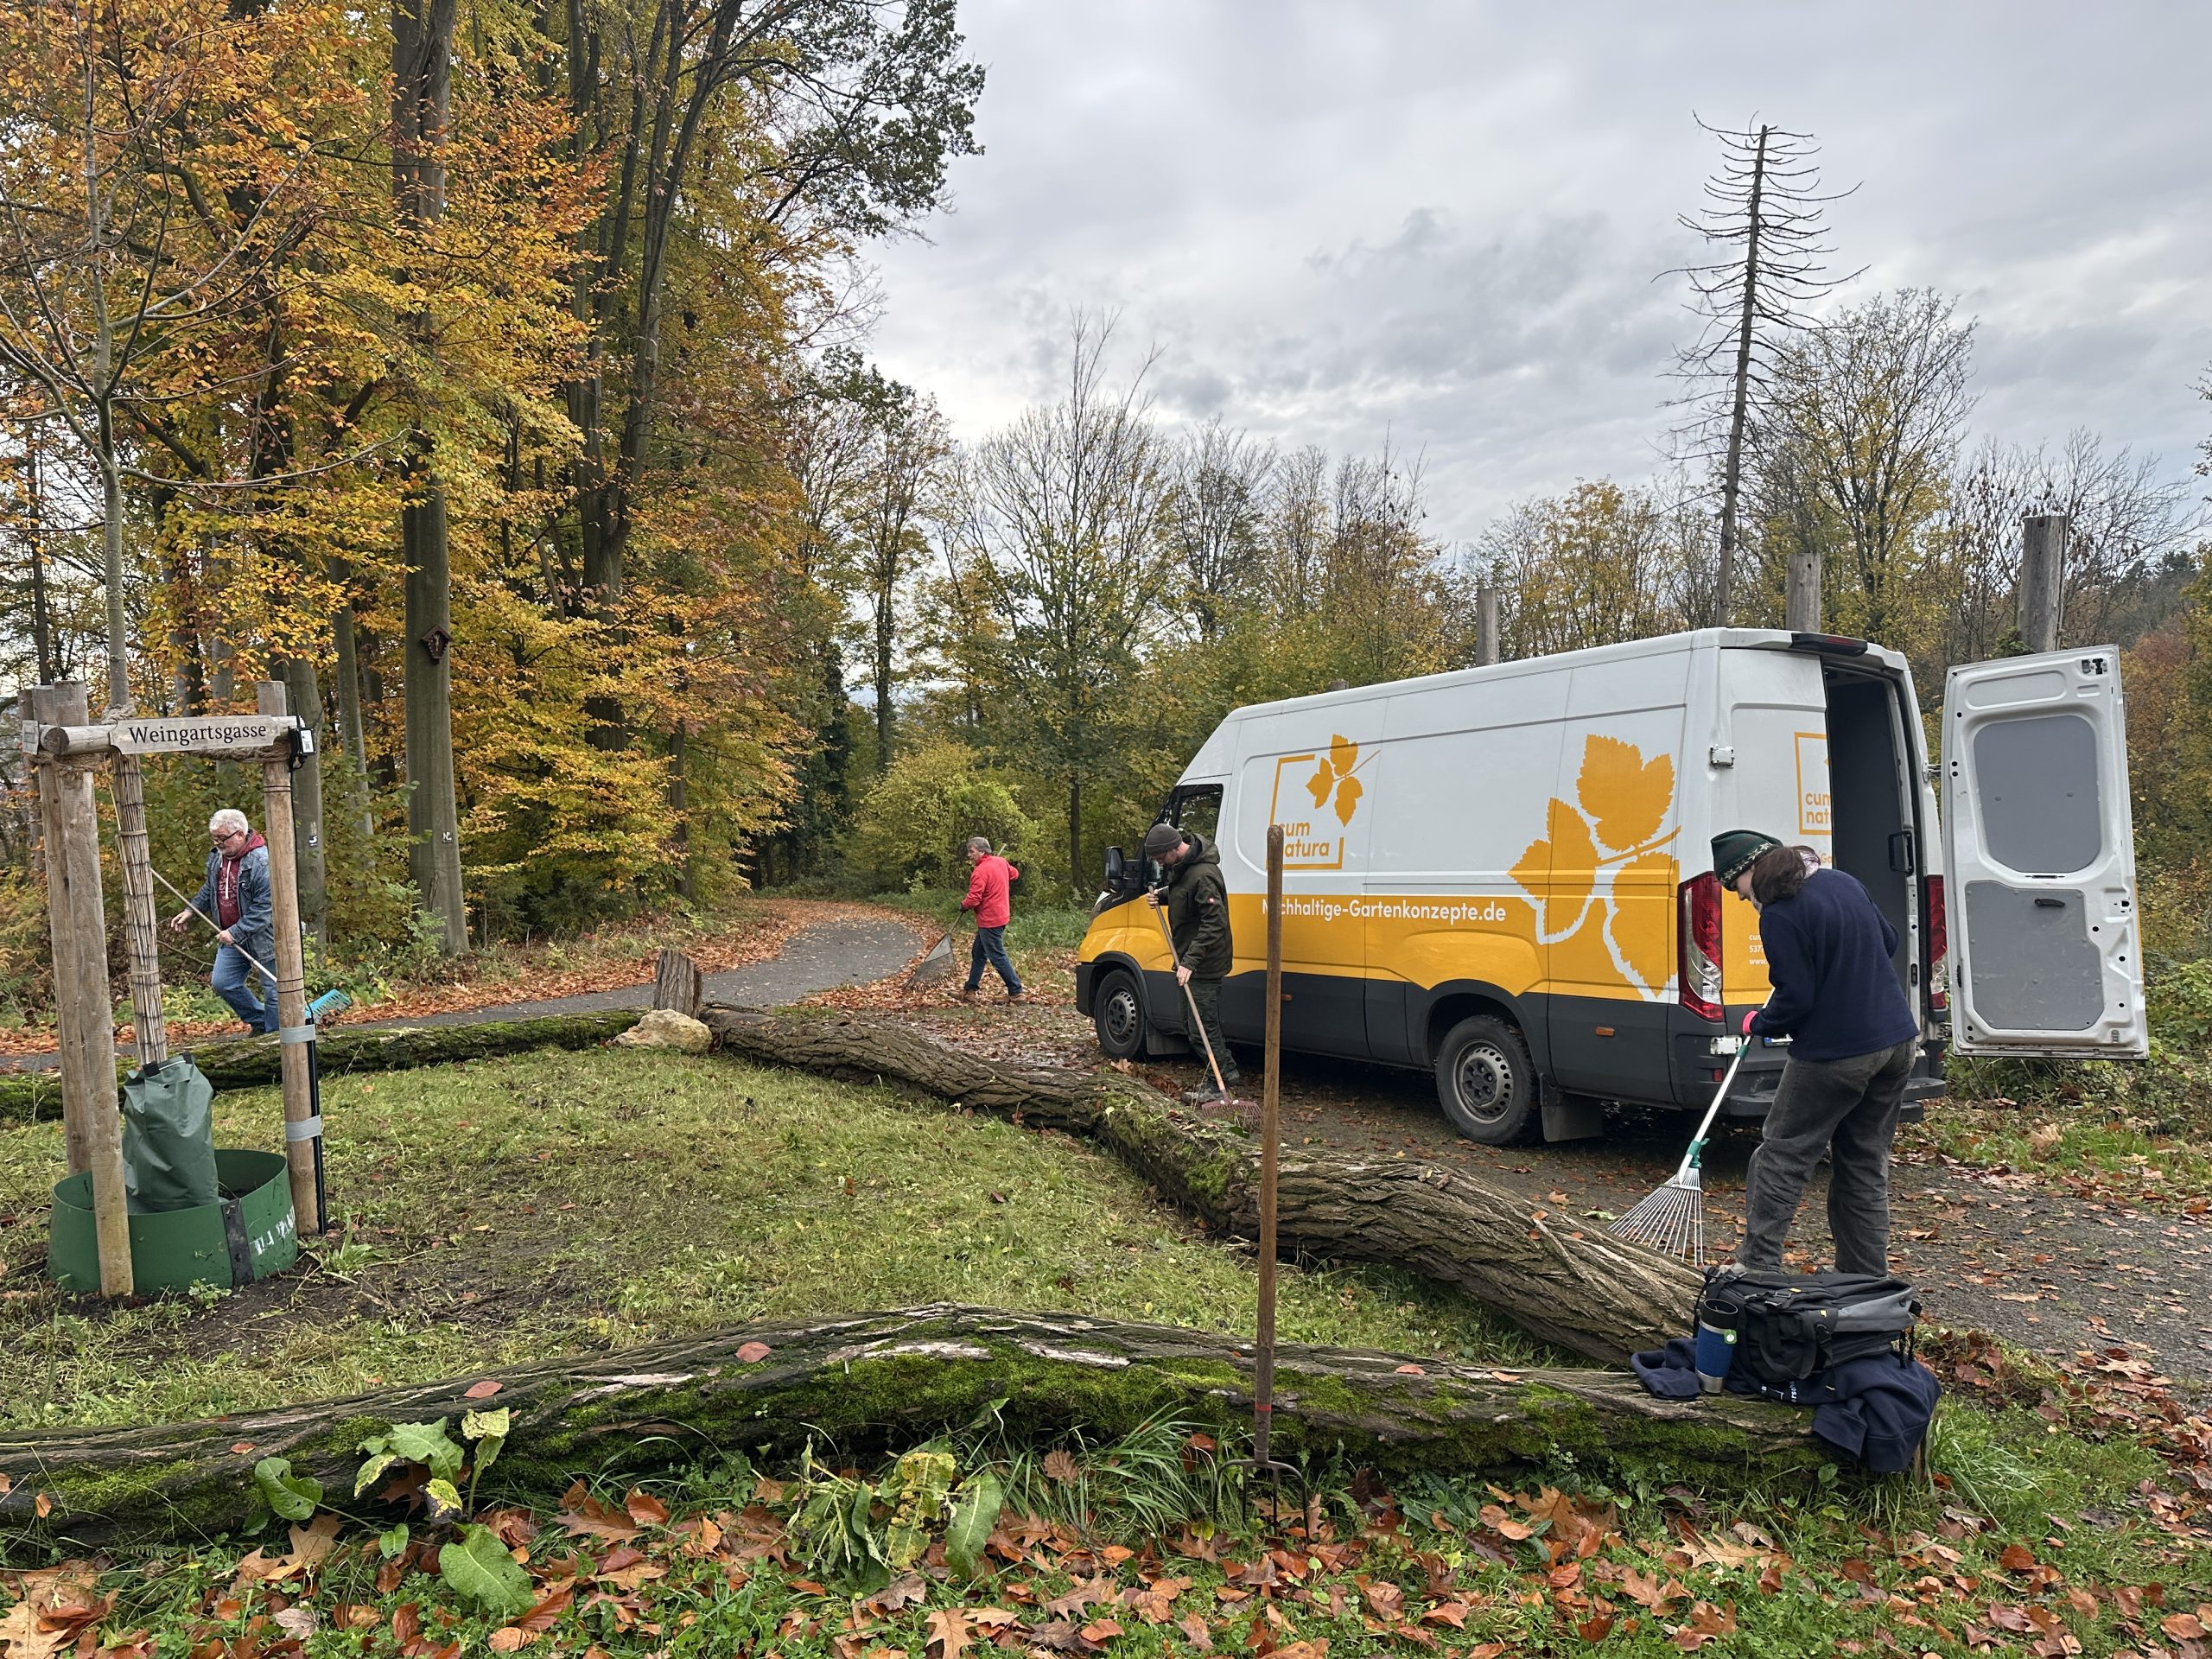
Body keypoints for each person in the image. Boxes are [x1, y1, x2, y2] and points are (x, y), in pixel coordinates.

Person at [1712, 829, 1920, 1277]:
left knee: (1781, 1157)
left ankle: (1757, 1268)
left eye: (1735, 886)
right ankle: (1865, 1279)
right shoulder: (1842, 882)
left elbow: (1796, 999)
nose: (1741, 898)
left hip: (1837, 1053)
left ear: (1751, 870)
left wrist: (1759, 1023)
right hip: (1897, 1044)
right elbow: (1887, 942)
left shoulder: (1780, 914)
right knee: (1863, 1163)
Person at [1141, 821, 1238, 1103]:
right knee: (1190, 1024)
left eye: (1161, 857)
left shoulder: (1204, 874)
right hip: (1189, 959)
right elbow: (1183, 893)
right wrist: (1161, 895)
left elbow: (1215, 923)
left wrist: (1191, 961)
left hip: (1204, 964)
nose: (1160, 863)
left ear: (1175, 848)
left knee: (1202, 1028)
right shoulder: (1184, 869)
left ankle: (1221, 1080)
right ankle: (1220, 1075)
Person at [170, 808, 278, 1035]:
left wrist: (235, 932)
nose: (217, 843)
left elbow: (265, 908)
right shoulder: (217, 858)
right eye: (214, 838)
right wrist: (191, 910)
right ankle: (261, 1023)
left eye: (221, 838)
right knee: (223, 982)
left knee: (274, 992)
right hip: (231, 936)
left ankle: (277, 1038)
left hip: (265, 937)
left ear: (239, 834)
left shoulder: (262, 862)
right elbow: (211, 888)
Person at [957, 836, 1026, 1003]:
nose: (969, 855)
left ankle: (1016, 992)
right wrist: (1000, 869)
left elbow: (974, 899)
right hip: (1000, 916)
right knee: (978, 953)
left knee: (997, 956)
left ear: (982, 851)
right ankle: (970, 990)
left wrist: (963, 905)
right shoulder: (1000, 862)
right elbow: (1014, 874)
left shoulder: (980, 872)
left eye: (972, 851)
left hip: (990, 920)